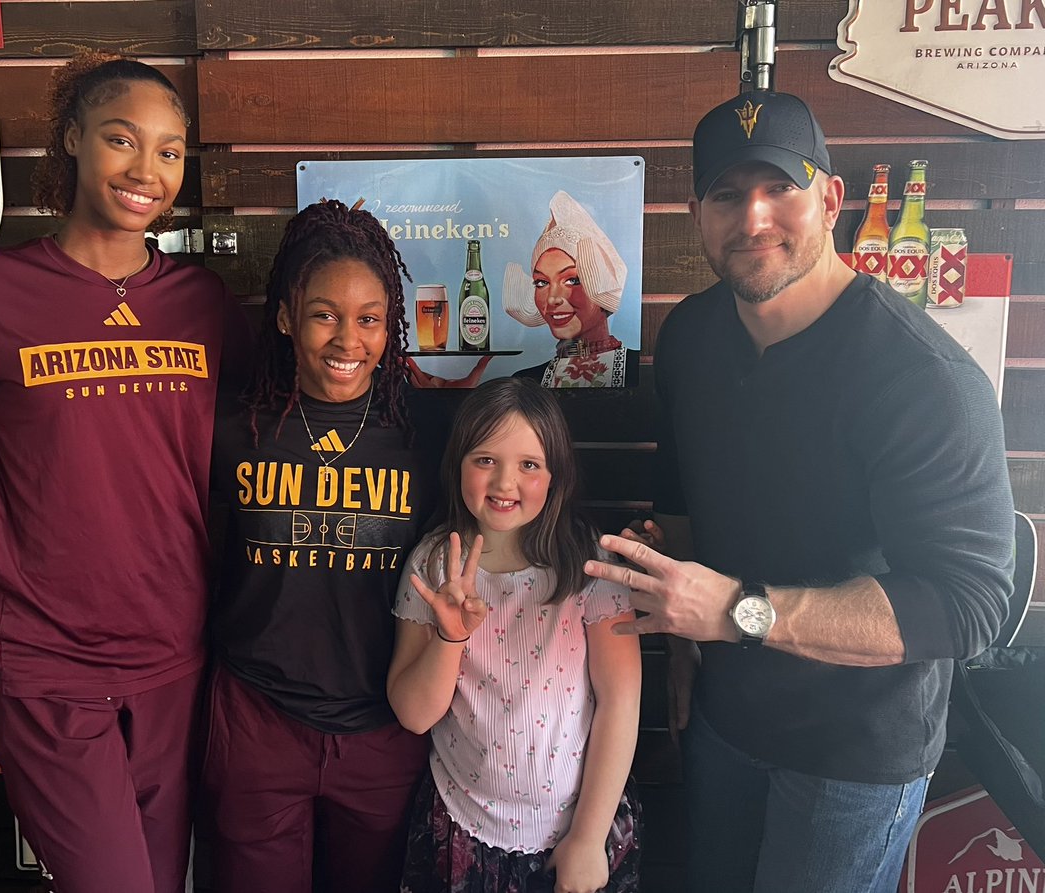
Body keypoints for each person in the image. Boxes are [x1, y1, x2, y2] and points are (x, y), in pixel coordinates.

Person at [585, 91, 1015, 892]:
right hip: (725, 723)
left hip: (856, 757)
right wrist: (685, 657)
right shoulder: (691, 337)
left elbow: (970, 604)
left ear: (830, 197)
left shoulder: (924, 378)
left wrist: (738, 612)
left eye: (779, 187)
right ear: (696, 213)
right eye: (725, 194)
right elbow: (680, 494)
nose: (753, 217)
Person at [0, 53, 229, 892]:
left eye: (169, 151)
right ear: (72, 139)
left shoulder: (203, 305)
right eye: (122, 140)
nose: (147, 171)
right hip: (43, 663)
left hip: (177, 661)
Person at [201, 199, 440, 893]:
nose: (348, 339)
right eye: (324, 314)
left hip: (384, 727)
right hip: (257, 720)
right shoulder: (232, 428)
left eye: (368, 319)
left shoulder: (426, 433)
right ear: (284, 317)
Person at [388, 377, 642, 893]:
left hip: (578, 829)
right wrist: (449, 638)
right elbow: (414, 715)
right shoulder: (435, 563)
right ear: (457, 463)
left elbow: (621, 701)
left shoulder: (590, 563)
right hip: (461, 825)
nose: (505, 483)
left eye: (529, 464)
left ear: (556, 474)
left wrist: (589, 841)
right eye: (485, 460)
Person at [503, 191, 637, 388]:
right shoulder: (526, 382)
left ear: (603, 279)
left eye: (572, 280)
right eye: (541, 283)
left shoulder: (639, 370)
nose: (552, 299)